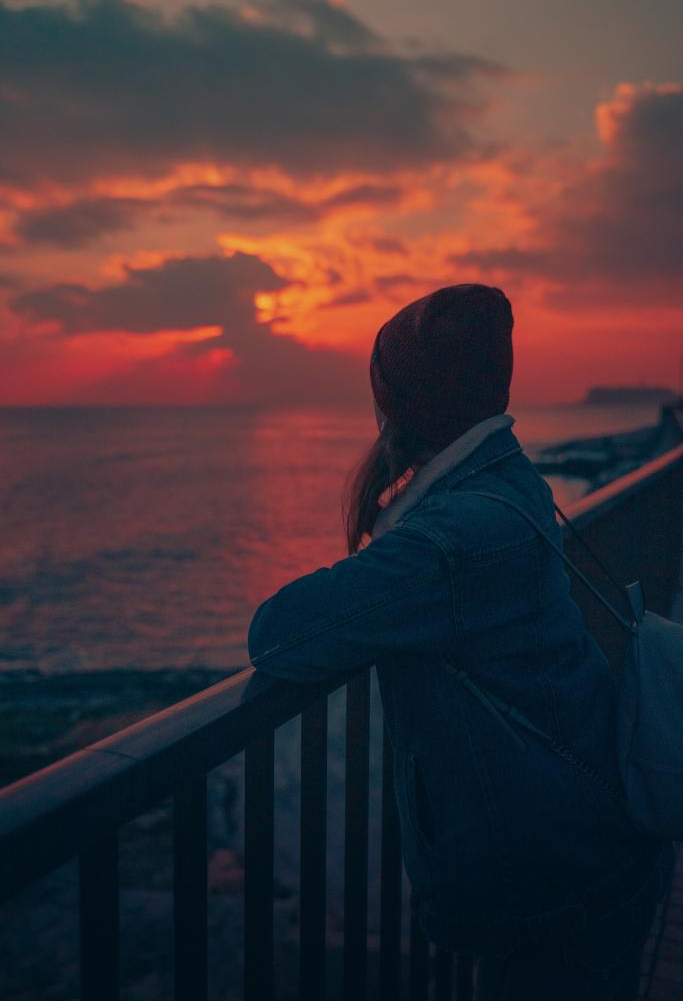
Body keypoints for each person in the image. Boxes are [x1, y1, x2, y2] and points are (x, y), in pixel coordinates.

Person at [247, 284, 672, 1000]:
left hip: (553, 881)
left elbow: (279, 635)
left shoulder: (453, 539)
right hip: (584, 849)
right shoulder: (505, 479)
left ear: (401, 402)